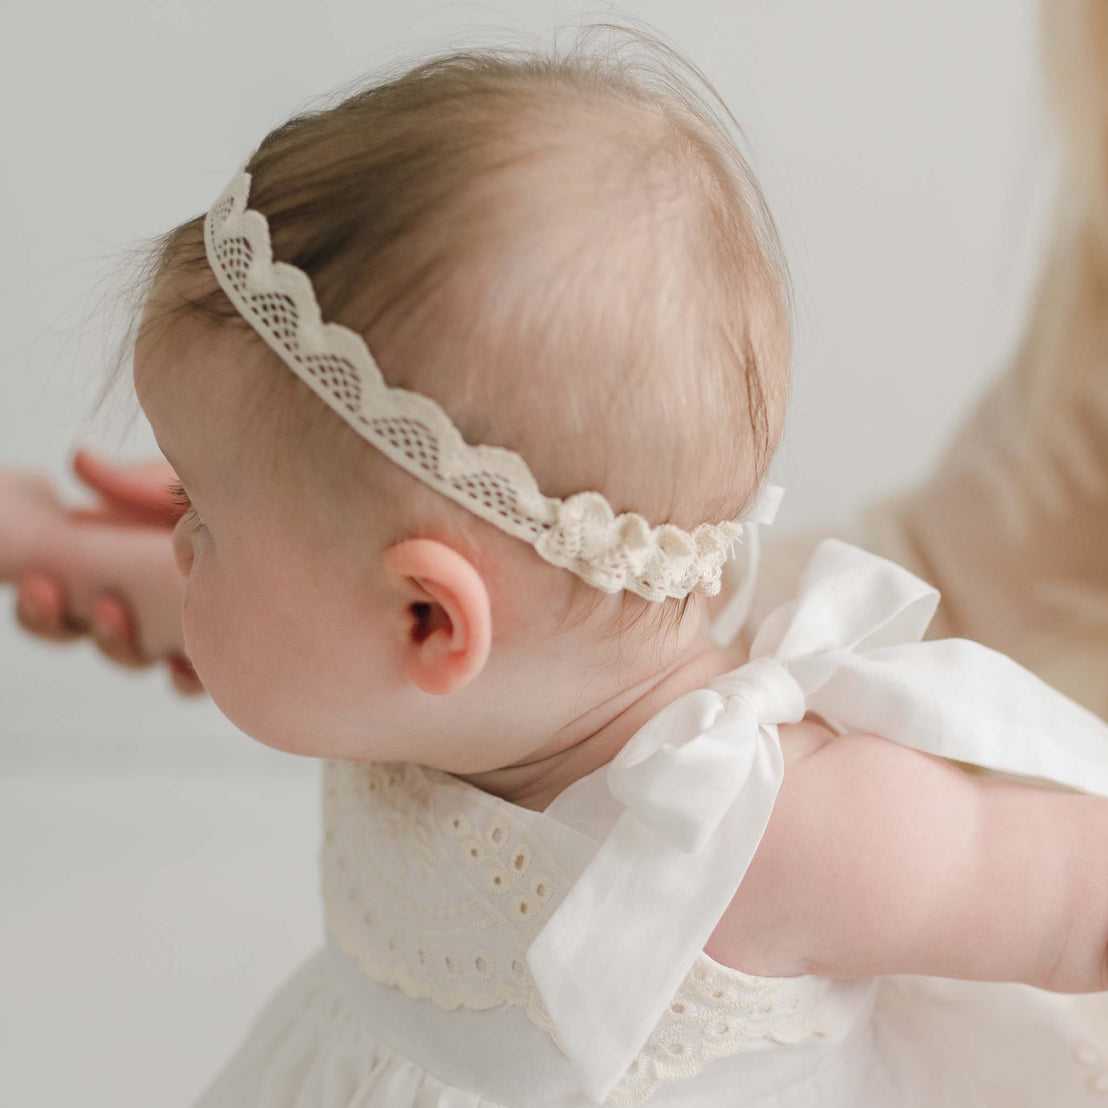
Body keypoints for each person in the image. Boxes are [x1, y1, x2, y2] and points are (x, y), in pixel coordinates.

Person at [4, 30, 1108, 1108]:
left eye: (197, 507)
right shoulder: (454, 671)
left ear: (432, 620)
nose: (178, 538)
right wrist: (67, 553)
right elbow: (289, 613)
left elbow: (1074, 898)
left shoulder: (782, 828)